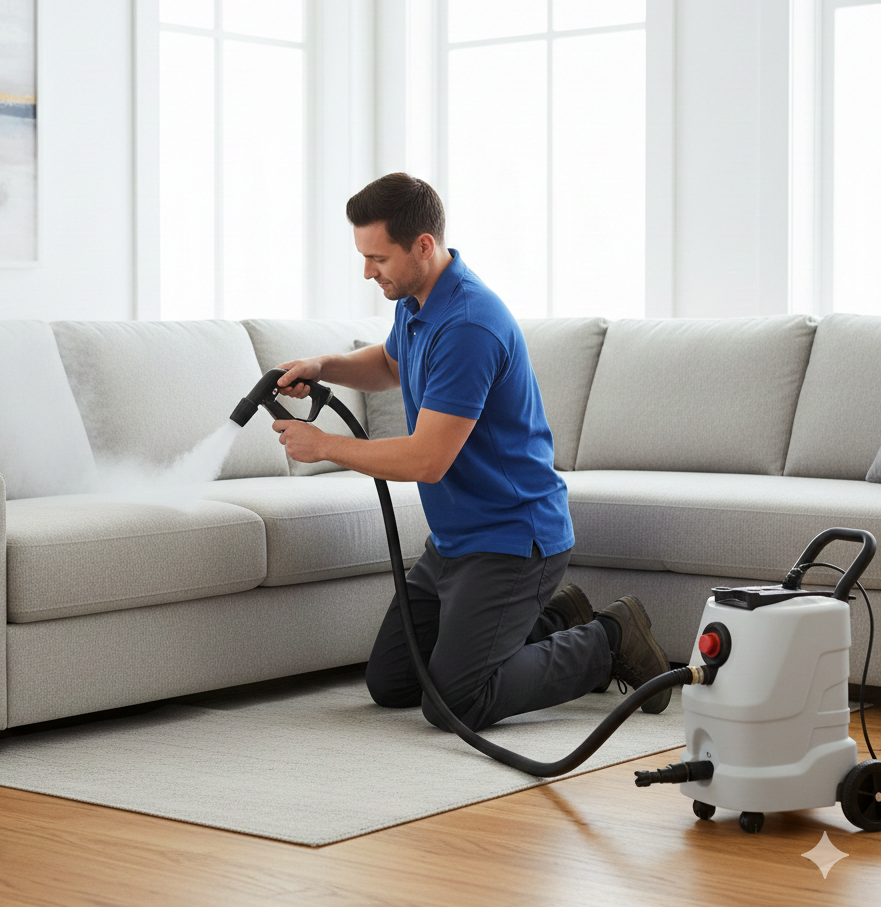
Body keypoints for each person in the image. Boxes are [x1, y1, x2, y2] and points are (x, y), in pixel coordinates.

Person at [273, 172, 671, 731]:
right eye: (363, 257)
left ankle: (609, 638)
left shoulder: (468, 325)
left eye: (377, 258)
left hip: (511, 540)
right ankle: (559, 620)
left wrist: (325, 447)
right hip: (454, 543)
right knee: (393, 682)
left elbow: (426, 460)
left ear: (423, 246)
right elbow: (390, 363)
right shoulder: (416, 299)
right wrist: (323, 366)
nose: (367, 272)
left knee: (456, 701)